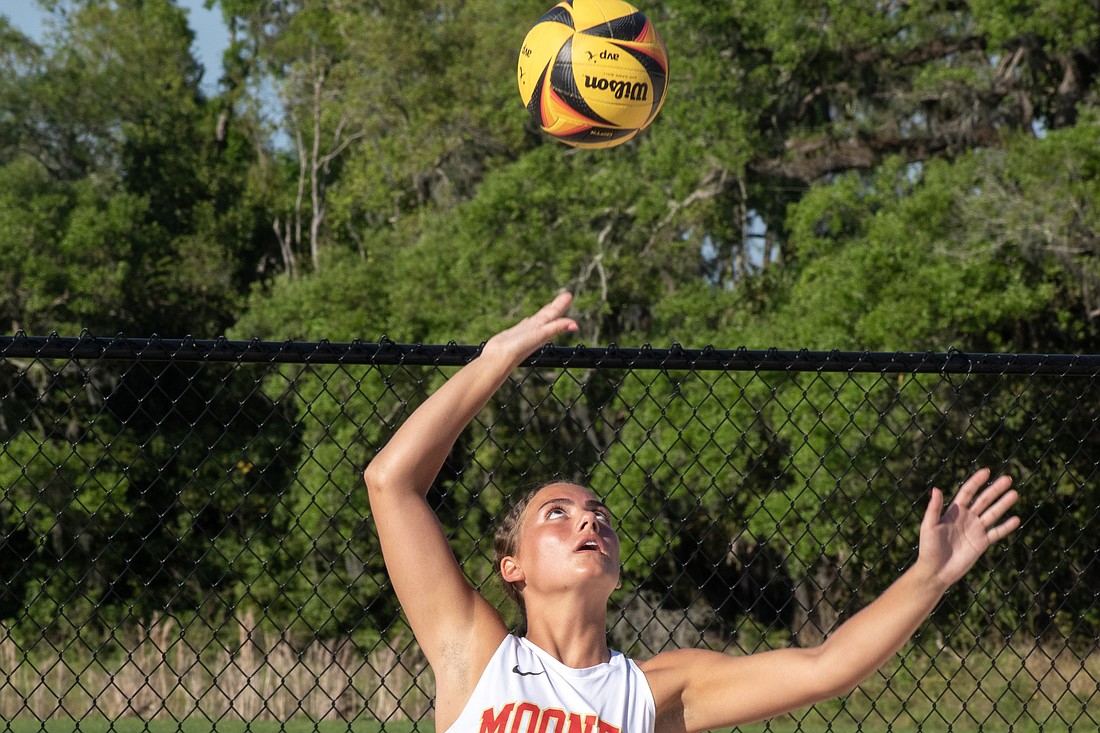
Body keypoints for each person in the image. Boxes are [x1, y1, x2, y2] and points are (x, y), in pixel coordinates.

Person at [363, 292, 1020, 733]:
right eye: (556, 513)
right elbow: (390, 481)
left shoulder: (655, 688)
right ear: (513, 566)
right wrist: (497, 359)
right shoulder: (475, 653)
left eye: (599, 513)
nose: (589, 520)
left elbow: (827, 667)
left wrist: (929, 577)